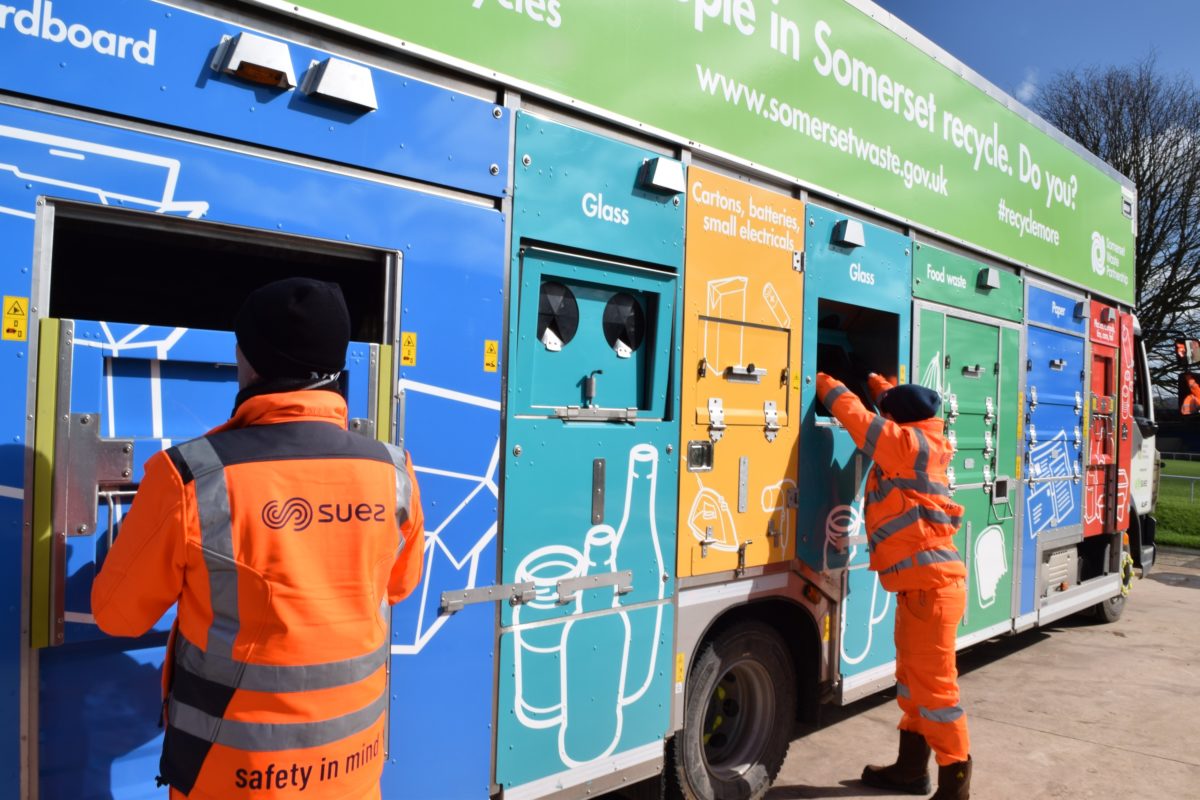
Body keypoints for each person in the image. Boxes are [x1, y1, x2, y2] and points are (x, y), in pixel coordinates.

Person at [92, 277, 424, 799]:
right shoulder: (393, 469)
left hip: (232, 778)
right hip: (354, 768)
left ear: (249, 360)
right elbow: (399, 587)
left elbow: (118, 615)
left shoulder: (188, 476)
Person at [816, 370, 972, 800]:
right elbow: (898, 408)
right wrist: (881, 386)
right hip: (923, 589)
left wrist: (820, 376)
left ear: (896, 420)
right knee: (912, 682)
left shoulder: (903, 444)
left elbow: (856, 417)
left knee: (937, 692)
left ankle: (956, 783)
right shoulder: (923, 437)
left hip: (931, 590)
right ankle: (909, 770)